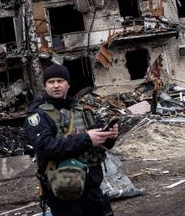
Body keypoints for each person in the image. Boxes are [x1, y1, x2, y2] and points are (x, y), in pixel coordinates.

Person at [25, 63, 119, 216]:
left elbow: (96, 143)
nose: (56, 85)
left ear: (68, 85)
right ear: (45, 86)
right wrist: (87, 139)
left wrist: (109, 137)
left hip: (92, 187)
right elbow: (45, 146)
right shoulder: (38, 115)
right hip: (64, 189)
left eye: (60, 81)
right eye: (51, 82)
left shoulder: (80, 110)